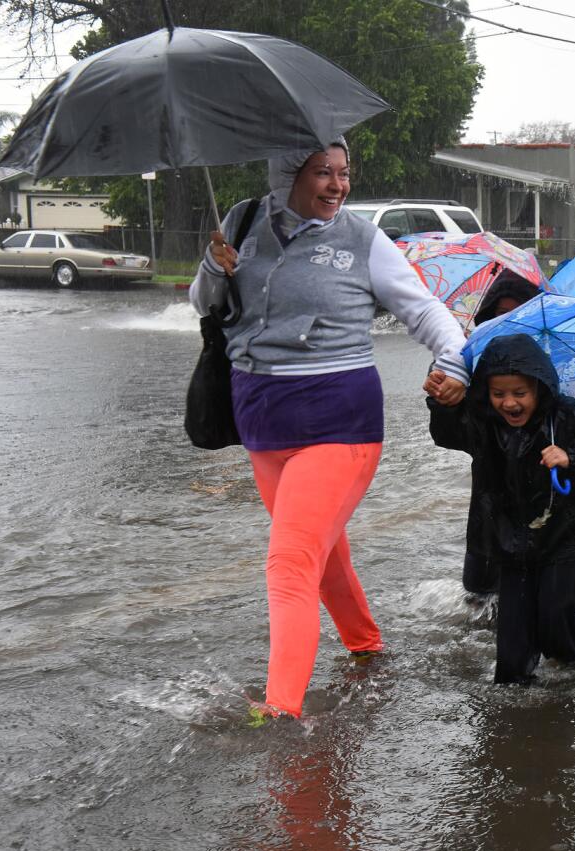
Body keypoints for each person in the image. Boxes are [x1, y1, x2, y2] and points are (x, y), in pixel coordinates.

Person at [188, 140, 470, 722]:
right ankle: (367, 648)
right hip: (262, 420)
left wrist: (453, 359)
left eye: (343, 174)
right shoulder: (240, 221)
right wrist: (214, 269)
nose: (338, 186)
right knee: (325, 553)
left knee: (290, 559)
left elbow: (423, 309)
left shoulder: (363, 239)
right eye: (323, 173)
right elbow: (204, 303)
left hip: (340, 422)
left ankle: (279, 712)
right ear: (286, 175)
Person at [426, 334, 575, 683]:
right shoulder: (482, 422)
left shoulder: (568, 415)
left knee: (557, 630)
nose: (509, 403)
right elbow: (446, 434)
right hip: (509, 545)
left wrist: (572, 454)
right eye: (498, 394)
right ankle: (515, 713)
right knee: (511, 660)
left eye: (520, 393)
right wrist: (442, 402)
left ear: (540, 387)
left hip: (562, 540)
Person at [458, 270, 544, 600]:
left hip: (541, 479)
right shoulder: (474, 359)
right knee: (479, 587)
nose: (509, 320)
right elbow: (452, 432)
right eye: (501, 313)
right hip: (491, 480)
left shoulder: (552, 362)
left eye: (519, 311)